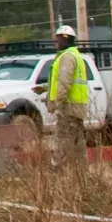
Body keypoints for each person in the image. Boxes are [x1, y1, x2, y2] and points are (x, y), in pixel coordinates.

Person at [46, 26, 90, 170]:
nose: (57, 42)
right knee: (78, 143)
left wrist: (57, 104)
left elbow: (65, 82)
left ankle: (58, 171)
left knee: (63, 140)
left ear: (66, 39)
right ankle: (82, 174)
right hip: (77, 107)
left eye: (59, 38)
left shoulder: (67, 57)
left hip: (69, 107)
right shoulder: (75, 55)